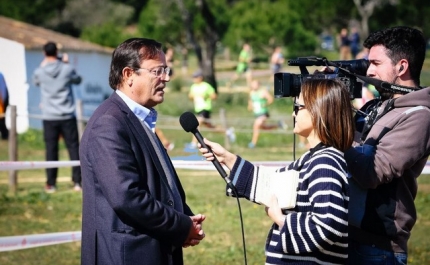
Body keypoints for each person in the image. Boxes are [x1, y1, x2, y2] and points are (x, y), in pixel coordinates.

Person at [199, 78, 355, 264]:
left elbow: (328, 225)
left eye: (298, 107)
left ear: (318, 110)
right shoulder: (312, 159)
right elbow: (272, 184)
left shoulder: (325, 162)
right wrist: (228, 158)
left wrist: (282, 220)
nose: (293, 113)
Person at [79, 38, 206, 265]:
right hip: (127, 255)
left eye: (166, 70)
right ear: (129, 75)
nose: (166, 78)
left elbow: (158, 184)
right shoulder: (109, 123)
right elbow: (127, 197)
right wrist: (180, 225)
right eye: (157, 71)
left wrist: (185, 217)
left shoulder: (139, 117)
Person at [344, 26, 430, 264]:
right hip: (346, 236)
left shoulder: (419, 115)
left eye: (376, 63)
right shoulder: (376, 106)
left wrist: (335, 132)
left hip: (378, 248)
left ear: (401, 66)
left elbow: (372, 172)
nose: (369, 70)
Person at [32, 41, 82, 193]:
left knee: (51, 150)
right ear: (57, 52)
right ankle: (77, 182)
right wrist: (65, 63)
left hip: (49, 116)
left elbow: (35, 81)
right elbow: (78, 79)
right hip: (67, 115)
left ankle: (51, 183)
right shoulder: (67, 69)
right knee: (74, 149)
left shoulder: (40, 71)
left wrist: (43, 65)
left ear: (44, 53)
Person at [187, 70, 218, 148]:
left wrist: (206, 97)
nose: (194, 79)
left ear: (200, 77)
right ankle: (227, 132)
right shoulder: (193, 86)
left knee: (197, 123)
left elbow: (214, 96)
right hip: (198, 108)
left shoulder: (206, 86)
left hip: (205, 108)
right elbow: (190, 96)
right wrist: (193, 96)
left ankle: (194, 143)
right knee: (210, 126)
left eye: (196, 77)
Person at [247, 80, 282, 148]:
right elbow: (250, 102)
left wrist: (264, 104)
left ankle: (253, 143)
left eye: (255, 84)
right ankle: (278, 125)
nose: (253, 86)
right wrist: (250, 106)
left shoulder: (263, 92)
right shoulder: (251, 93)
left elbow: (271, 99)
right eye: (252, 84)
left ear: (258, 85)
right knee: (264, 127)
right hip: (256, 113)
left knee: (256, 125)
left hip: (263, 113)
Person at [0, 72, 9, 140]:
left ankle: (5, 136)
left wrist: (3, 102)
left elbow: (3, 91)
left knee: (1, 120)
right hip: (3, 101)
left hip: (1, 102)